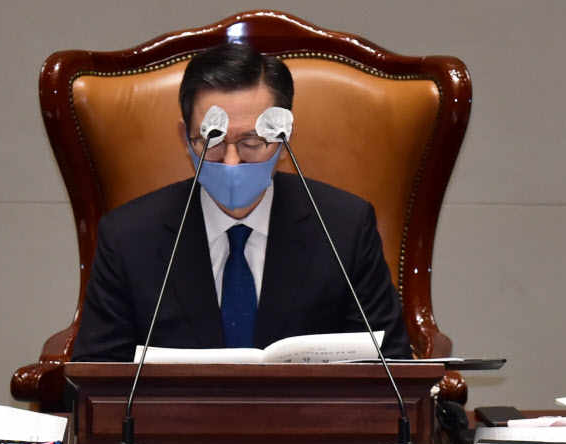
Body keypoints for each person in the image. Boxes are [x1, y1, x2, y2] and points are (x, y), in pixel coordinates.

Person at [71, 43, 412, 362]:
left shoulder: (344, 227)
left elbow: (390, 364)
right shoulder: (128, 236)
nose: (231, 162)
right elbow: (95, 381)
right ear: (183, 136)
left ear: (283, 139)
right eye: (213, 140)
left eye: (251, 141)